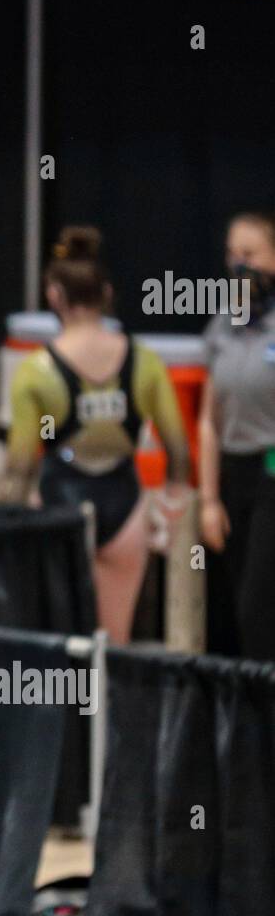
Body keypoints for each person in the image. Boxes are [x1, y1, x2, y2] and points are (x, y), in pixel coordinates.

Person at [6, 226, 191, 645]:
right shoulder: (144, 361)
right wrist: (174, 509)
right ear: (106, 293)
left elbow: (19, 466)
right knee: (114, 643)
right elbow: (178, 452)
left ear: (54, 295)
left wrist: (12, 517)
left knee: (62, 639)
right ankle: (106, 710)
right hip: (124, 501)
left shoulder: (36, 371)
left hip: (60, 499)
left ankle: (65, 708)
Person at [198, 211, 275, 661]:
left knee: (257, 606)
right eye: (232, 254)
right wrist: (209, 500)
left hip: (271, 470)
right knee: (226, 611)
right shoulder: (224, 324)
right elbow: (209, 420)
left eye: (250, 254)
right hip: (232, 473)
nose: (239, 264)